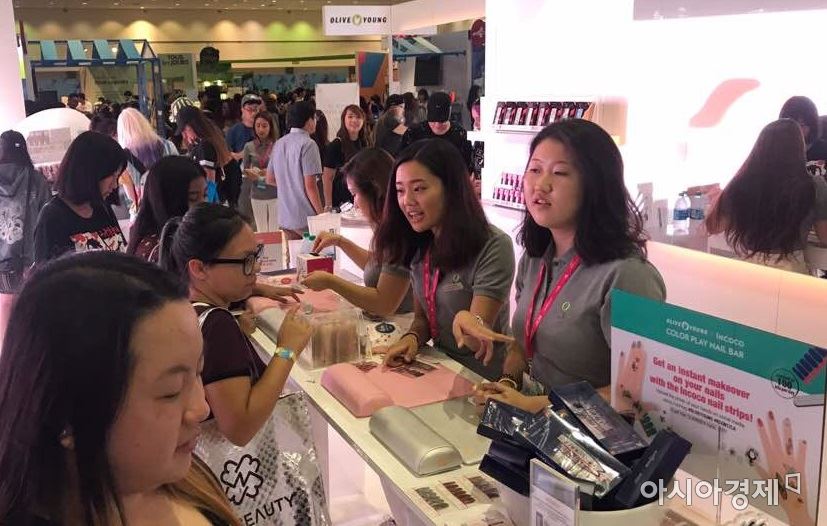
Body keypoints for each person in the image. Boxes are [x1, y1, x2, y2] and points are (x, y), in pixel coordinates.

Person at [0, 251, 240, 525]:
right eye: (171, 392)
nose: (201, 408)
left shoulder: (182, 475)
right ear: (67, 416)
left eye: (198, 372)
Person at [451, 119, 666, 413]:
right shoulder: (535, 257)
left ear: (596, 185)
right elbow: (524, 344)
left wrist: (539, 405)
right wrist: (508, 384)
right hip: (540, 427)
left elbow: (636, 391)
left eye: (560, 173)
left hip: (595, 436)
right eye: (535, 170)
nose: (541, 185)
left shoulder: (628, 275)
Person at [160, 203, 312, 446]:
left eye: (256, 255)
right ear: (199, 268)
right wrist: (287, 350)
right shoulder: (217, 325)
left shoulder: (185, 308)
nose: (256, 267)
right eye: (246, 260)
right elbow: (239, 428)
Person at [374, 139, 515, 380]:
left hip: (483, 380)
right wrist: (412, 338)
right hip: (441, 371)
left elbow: (476, 340)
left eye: (419, 189)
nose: (407, 201)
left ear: (451, 189)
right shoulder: (420, 242)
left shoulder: (493, 245)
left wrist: (467, 320)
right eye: (400, 190)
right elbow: (423, 319)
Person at [706, 118, 827, 273]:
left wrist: (717, 200)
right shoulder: (814, 186)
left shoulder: (742, 182)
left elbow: (714, 226)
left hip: (746, 269)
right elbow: (824, 236)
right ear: (798, 149)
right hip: (790, 272)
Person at [302, 148, 413, 316]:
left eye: (354, 194)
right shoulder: (387, 227)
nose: (355, 203)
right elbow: (377, 266)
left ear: (375, 191)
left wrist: (330, 281)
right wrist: (339, 241)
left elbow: (383, 303)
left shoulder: (399, 232)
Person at [33, 131, 127, 264]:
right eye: (112, 175)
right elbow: (46, 273)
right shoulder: (52, 216)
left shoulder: (102, 208)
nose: (115, 185)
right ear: (91, 172)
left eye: (117, 177)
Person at [0, 131, 50, 349]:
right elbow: (46, 218)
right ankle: (29, 350)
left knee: (4, 304)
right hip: (31, 257)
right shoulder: (37, 180)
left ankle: (5, 351)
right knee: (30, 305)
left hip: (2, 257)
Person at [128, 156, 207, 262]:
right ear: (168, 201)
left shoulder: (181, 235)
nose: (203, 204)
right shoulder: (160, 251)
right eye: (193, 198)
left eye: (205, 195)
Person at [269, 101, 323, 240]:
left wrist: (289, 185)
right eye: (314, 118)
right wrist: (322, 215)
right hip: (305, 218)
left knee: (292, 253)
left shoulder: (279, 143)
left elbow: (270, 179)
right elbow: (310, 186)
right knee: (312, 251)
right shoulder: (309, 144)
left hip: (285, 216)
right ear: (309, 120)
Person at [117, 107, 179, 215]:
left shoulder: (123, 157)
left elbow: (131, 196)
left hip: (145, 213)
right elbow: (180, 174)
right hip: (172, 206)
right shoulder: (168, 145)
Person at [401, 91, 473, 172]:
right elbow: (402, 162)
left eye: (442, 122)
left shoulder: (460, 135)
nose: (437, 125)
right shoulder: (413, 133)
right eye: (433, 122)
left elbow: (467, 166)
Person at [176, 106, 234, 205]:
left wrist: (203, 205)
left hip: (211, 204)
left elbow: (209, 180)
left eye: (186, 130)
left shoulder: (204, 146)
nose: (184, 135)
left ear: (194, 125)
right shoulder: (209, 142)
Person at [226, 94, 265, 223]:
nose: (254, 113)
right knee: (245, 218)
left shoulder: (264, 129)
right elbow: (226, 155)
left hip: (263, 180)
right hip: (242, 181)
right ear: (242, 110)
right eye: (250, 109)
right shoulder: (234, 131)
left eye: (256, 109)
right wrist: (242, 154)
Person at [323, 105, 369, 210]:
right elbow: (327, 178)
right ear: (343, 119)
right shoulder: (336, 145)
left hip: (361, 199)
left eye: (358, 117)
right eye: (350, 116)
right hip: (341, 202)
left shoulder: (365, 143)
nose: (354, 120)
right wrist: (328, 204)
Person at [242, 110, 279, 232]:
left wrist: (268, 172)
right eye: (257, 125)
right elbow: (245, 169)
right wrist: (250, 173)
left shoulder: (278, 145)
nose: (261, 129)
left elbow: (282, 169)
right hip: (257, 193)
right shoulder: (249, 146)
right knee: (261, 230)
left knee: (274, 231)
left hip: (275, 193)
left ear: (270, 127)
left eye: (264, 126)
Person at [779, 96, 827, 162]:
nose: (797, 129)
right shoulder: (777, 151)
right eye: (793, 124)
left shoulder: (823, 151)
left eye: (802, 125)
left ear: (812, 126)